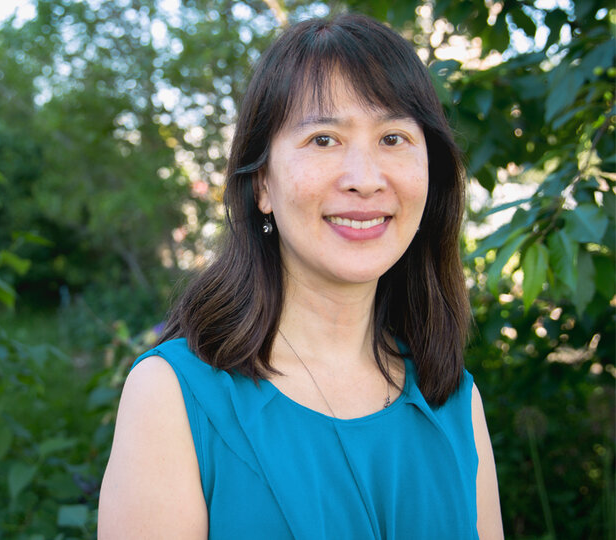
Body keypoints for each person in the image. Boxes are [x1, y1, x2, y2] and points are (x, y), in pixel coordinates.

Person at [98, 13, 503, 539]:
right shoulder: (174, 396)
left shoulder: (454, 401)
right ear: (262, 183)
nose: (365, 180)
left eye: (394, 137)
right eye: (324, 139)